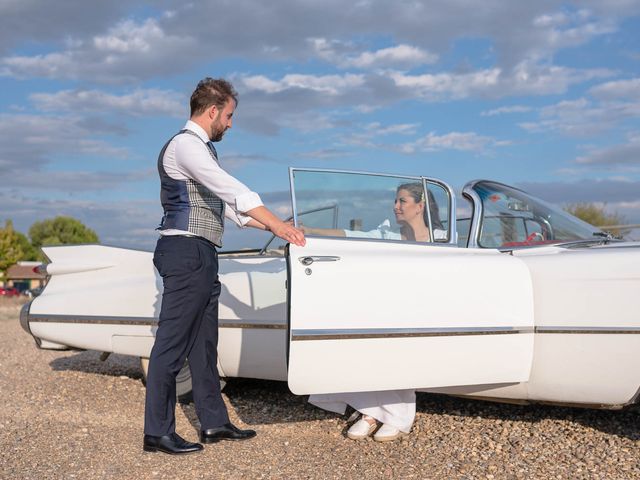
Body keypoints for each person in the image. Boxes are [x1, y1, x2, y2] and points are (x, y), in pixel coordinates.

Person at [143, 78, 305, 455]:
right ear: (213, 110)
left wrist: (281, 226)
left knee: (204, 345)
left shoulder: (201, 150)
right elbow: (232, 189)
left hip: (201, 253)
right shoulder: (185, 145)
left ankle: (213, 423)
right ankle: (157, 432)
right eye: (229, 115)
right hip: (183, 251)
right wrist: (278, 224)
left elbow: (235, 212)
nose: (230, 123)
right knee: (171, 347)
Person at [306, 183, 443, 442]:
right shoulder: (387, 234)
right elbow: (348, 234)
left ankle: (394, 416)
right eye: (396, 200)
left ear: (420, 206)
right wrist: (310, 230)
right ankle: (369, 413)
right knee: (370, 347)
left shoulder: (442, 237)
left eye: (402, 201)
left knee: (403, 351)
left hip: (423, 309)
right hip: (387, 305)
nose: (396, 206)